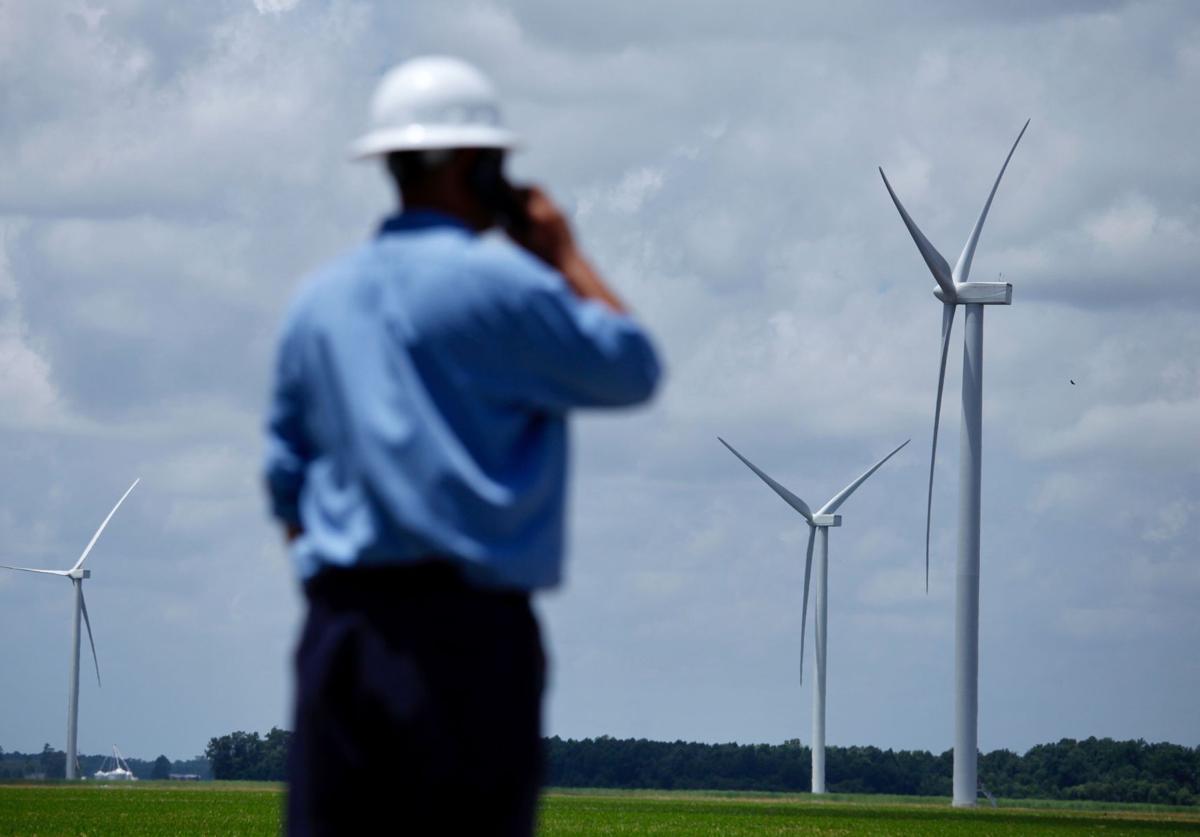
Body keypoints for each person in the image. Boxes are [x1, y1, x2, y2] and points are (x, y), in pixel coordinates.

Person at [263, 56, 661, 836]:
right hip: (471, 637)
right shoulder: (508, 289)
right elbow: (633, 367)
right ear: (478, 166)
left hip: (340, 628)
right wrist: (563, 253)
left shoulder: (318, 301)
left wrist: (338, 577)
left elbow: (285, 476)